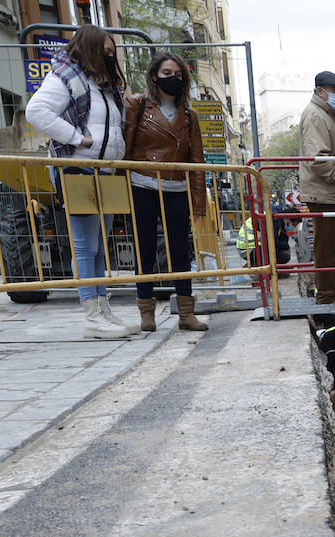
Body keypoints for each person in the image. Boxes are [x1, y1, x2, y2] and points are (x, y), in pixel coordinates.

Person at [25, 23, 135, 339]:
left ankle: (102, 311)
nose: (110, 58)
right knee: (86, 245)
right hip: (78, 169)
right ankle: (92, 316)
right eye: (106, 52)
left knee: (100, 246)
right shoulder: (66, 77)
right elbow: (37, 111)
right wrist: (76, 138)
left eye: (113, 53)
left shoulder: (105, 86)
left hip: (106, 171)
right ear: (90, 49)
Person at [124, 50, 207, 332]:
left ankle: (186, 313)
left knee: (181, 252)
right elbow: (127, 146)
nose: (173, 79)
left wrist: (198, 200)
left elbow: (197, 160)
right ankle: (146, 313)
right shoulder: (138, 104)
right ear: (155, 76)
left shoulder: (189, 116)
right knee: (144, 250)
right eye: (167, 74)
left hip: (176, 187)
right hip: (142, 184)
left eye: (178, 75)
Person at [299, 71, 335, 306]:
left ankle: (330, 295)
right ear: (320, 91)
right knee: (328, 248)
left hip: (333, 194)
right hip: (326, 193)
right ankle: (326, 297)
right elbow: (318, 158)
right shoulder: (316, 116)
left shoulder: (326, 115)